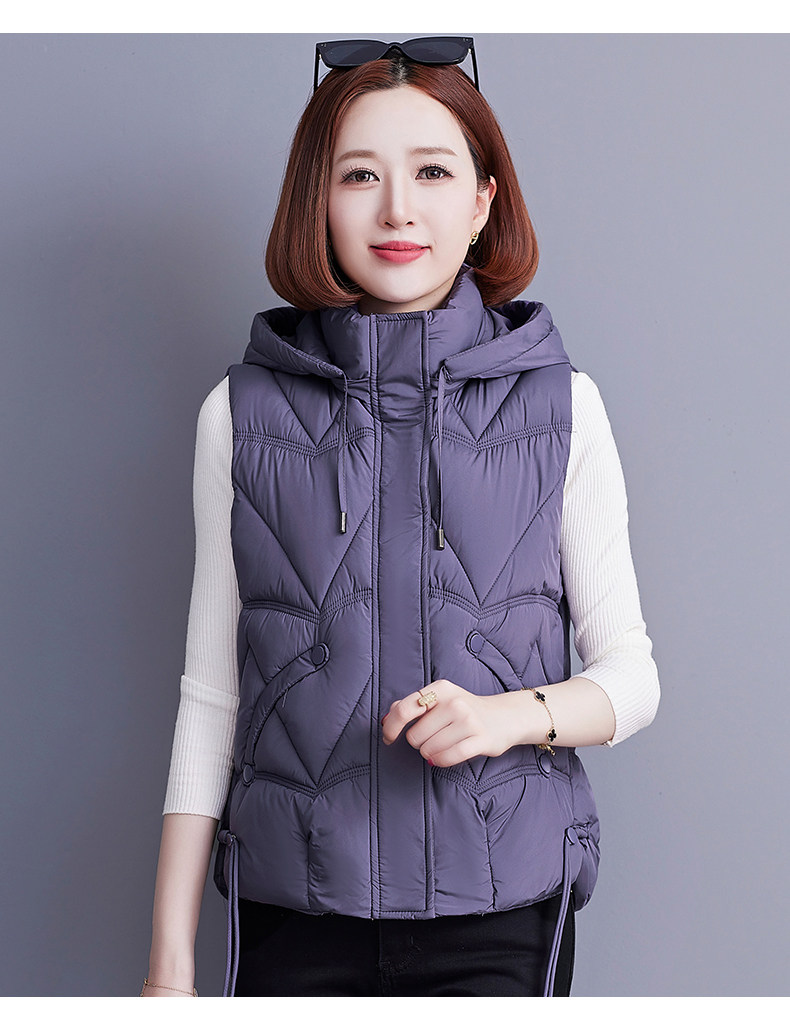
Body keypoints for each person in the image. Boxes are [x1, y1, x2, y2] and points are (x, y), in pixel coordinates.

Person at [141, 37, 660, 999]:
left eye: (432, 171)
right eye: (359, 175)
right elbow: (212, 697)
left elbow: (631, 678)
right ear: (317, 201)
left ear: (482, 201)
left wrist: (504, 718)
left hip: (502, 916)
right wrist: (170, 961)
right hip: (295, 911)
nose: (397, 210)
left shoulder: (564, 407)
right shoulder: (240, 414)